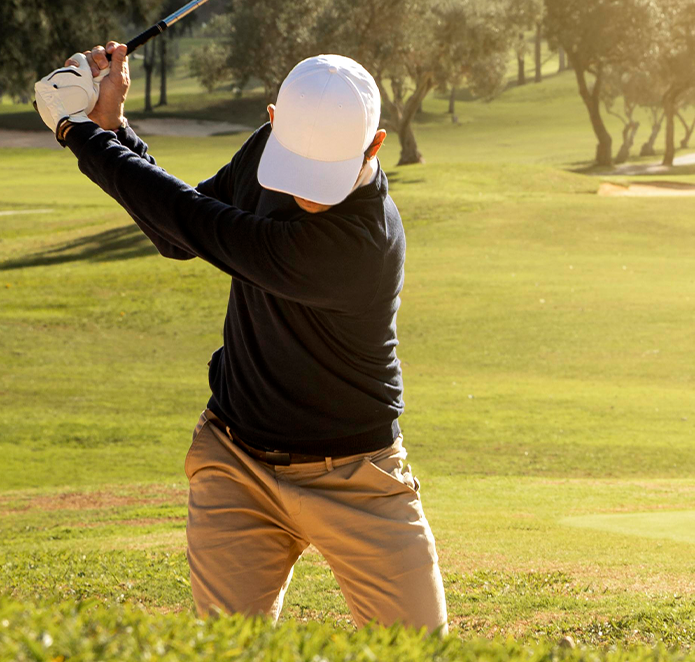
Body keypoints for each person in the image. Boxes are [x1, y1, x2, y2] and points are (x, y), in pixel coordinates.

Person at [34, 41, 447, 634]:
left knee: (420, 649)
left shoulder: (362, 247)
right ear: (273, 122)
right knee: (228, 650)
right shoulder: (264, 151)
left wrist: (80, 132)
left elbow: (203, 227)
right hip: (236, 464)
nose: (309, 192)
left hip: (357, 476)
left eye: (326, 172)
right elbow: (179, 233)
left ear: (375, 144)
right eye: (299, 165)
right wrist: (114, 128)